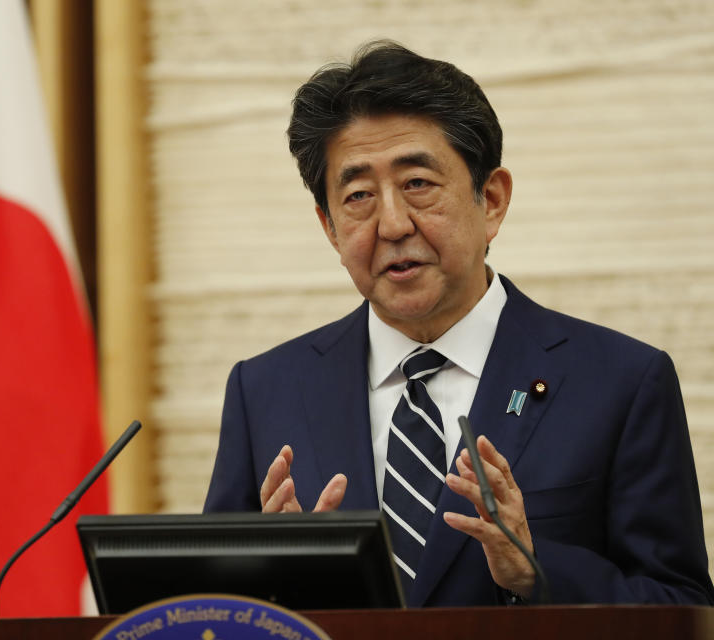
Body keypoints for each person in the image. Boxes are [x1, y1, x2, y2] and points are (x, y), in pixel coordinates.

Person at [203, 41, 714, 607]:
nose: (393, 223)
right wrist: (270, 586)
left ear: (491, 200)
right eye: (358, 196)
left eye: (418, 184)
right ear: (329, 227)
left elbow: (683, 608)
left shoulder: (620, 382)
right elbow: (209, 610)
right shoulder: (264, 390)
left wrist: (534, 568)